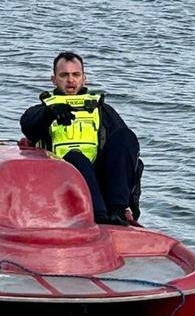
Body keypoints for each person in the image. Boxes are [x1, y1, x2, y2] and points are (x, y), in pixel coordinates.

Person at [20, 51, 142, 226]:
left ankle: (117, 210)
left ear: (84, 78)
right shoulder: (43, 111)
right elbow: (28, 125)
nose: (71, 80)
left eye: (76, 75)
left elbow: (126, 154)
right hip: (63, 182)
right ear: (54, 80)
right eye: (64, 75)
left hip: (98, 178)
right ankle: (99, 217)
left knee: (125, 137)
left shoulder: (102, 110)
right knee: (75, 157)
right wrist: (50, 114)